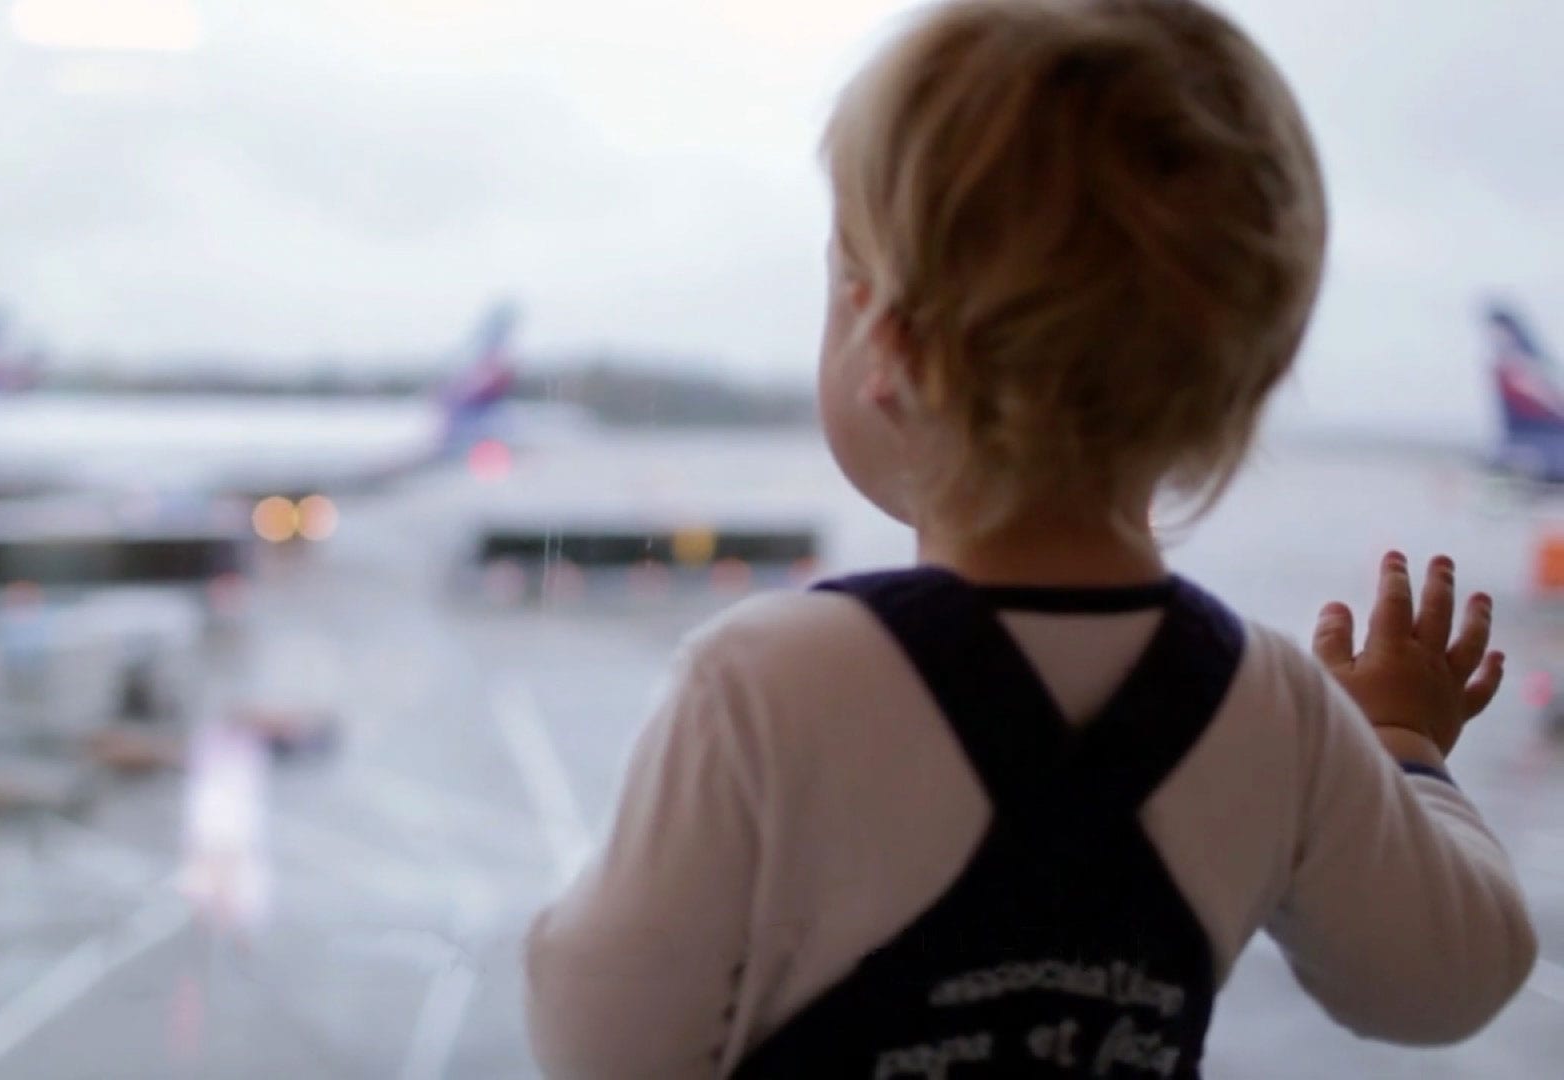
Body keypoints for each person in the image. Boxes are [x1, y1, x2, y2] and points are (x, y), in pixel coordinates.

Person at [522, 1, 1537, 1076]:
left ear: (888, 346)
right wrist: (1403, 751)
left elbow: (599, 1041)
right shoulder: (1274, 709)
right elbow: (1454, 978)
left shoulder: (762, 689)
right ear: (1246, 375)